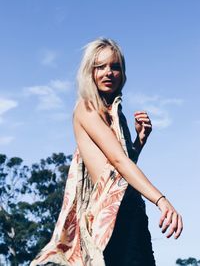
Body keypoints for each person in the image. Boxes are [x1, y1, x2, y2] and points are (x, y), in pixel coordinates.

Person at [30, 38, 183, 266]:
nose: (108, 73)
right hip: (110, 222)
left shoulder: (116, 114)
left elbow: (116, 174)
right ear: (89, 73)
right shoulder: (87, 107)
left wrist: (139, 141)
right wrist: (161, 200)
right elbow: (118, 161)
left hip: (133, 214)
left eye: (115, 67)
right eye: (100, 67)